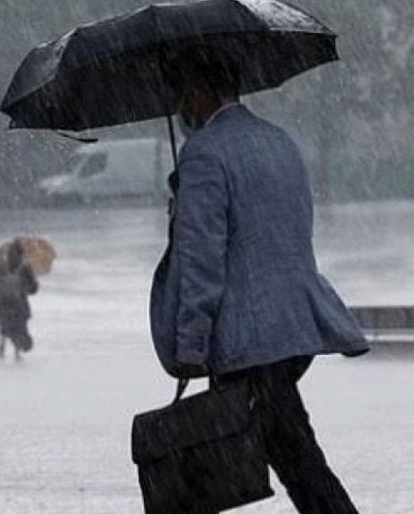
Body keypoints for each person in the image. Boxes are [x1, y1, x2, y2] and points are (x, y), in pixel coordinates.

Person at [149, 53, 369, 514]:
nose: (179, 109)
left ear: (200, 92)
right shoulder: (279, 141)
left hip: (249, 339)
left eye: (181, 96)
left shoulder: (204, 154)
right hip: (293, 327)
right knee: (275, 449)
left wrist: (190, 346)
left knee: (285, 459)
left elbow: (202, 259)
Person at [0, 241, 38, 360]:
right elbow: (33, 288)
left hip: (3, 303)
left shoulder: (2, 267)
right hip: (19, 303)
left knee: (4, 326)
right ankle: (17, 353)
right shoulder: (25, 268)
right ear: (22, 254)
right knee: (19, 327)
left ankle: (1, 348)